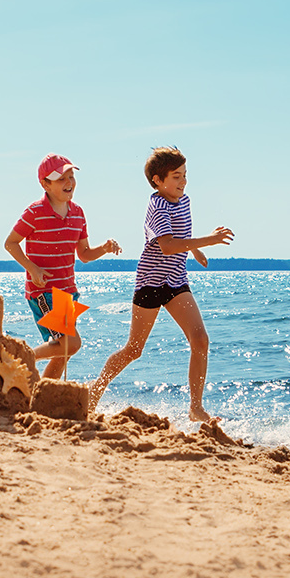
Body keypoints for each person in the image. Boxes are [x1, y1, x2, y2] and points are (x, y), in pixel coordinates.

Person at [88, 147, 233, 423]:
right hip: (151, 283)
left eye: (185, 175)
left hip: (177, 280)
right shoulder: (156, 206)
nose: (184, 182)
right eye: (176, 176)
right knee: (134, 349)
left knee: (200, 339)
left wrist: (194, 251)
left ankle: (195, 408)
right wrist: (208, 241)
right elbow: (166, 246)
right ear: (157, 180)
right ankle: (94, 391)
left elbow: (180, 236)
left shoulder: (184, 200)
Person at [4, 153, 121, 380]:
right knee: (70, 343)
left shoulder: (78, 213)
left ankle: (45, 392)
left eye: (71, 177)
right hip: (43, 292)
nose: (69, 183)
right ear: (45, 184)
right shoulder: (34, 212)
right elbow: (10, 243)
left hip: (67, 292)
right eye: (61, 179)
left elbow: (85, 254)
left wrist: (104, 248)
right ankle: (19, 359)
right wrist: (33, 269)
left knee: (61, 351)